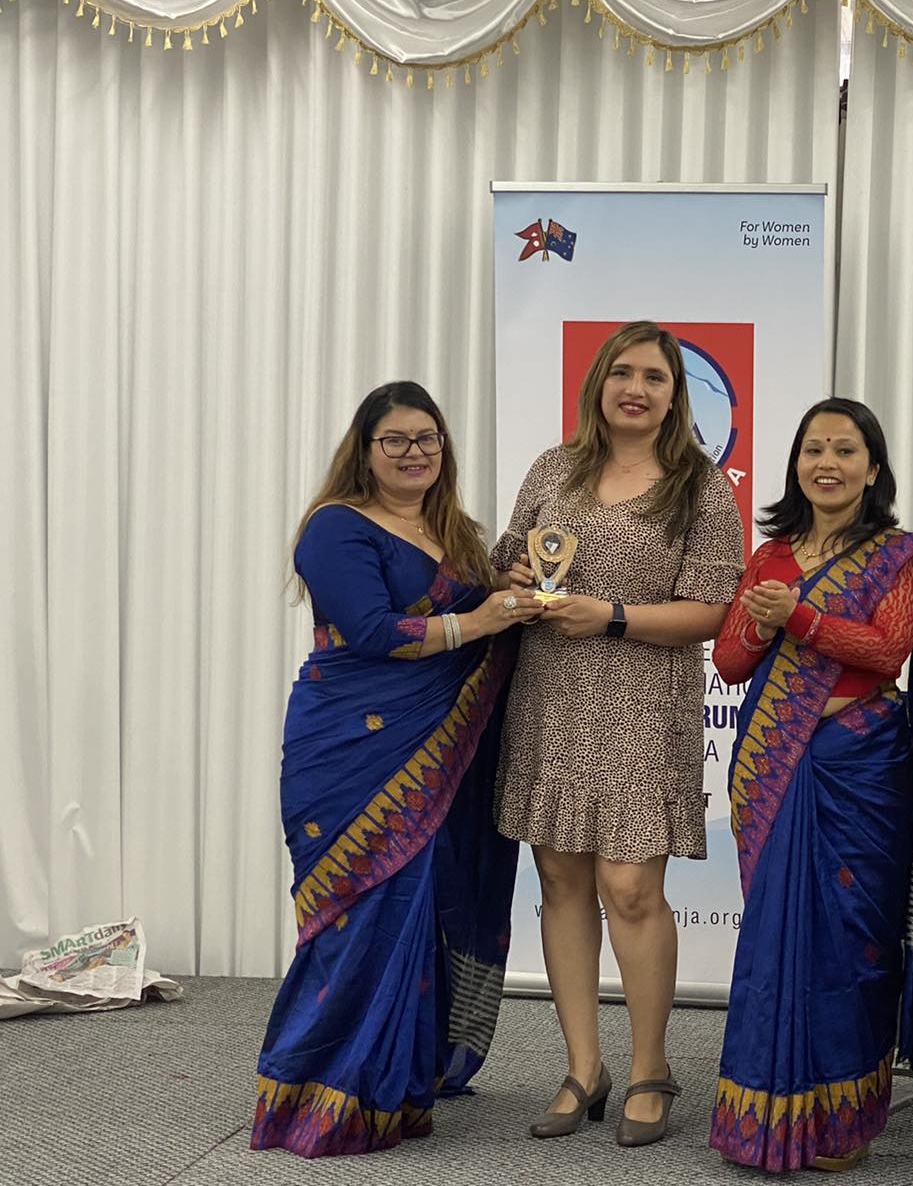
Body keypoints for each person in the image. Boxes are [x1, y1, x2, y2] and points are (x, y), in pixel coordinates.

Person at [252, 381, 536, 1158]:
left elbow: (484, 624)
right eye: (397, 440)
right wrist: (479, 619)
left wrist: (513, 599)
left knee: (428, 904)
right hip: (352, 745)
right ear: (366, 449)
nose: (414, 452)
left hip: (440, 752)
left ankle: (402, 1078)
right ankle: (324, 1092)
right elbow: (375, 632)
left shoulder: (458, 533)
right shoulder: (336, 527)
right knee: (362, 909)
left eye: (427, 438)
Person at [491, 321, 745, 1147]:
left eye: (655, 377)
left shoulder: (701, 487)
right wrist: (515, 575)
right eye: (623, 373)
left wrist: (611, 616)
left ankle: (649, 1068)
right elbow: (507, 559)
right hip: (551, 696)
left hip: (642, 703)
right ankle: (583, 1068)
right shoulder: (551, 469)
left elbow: (713, 611)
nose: (637, 389)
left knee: (631, 888)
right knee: (560, 879)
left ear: (676, 396)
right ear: (598, 382)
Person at [707, 399, 913, 1173]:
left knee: (854, 938)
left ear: (872, 468)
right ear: (796, 464)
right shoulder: (771, 555)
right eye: (813, 449)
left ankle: (846, 1118)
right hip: (773, 763)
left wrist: (800, 618)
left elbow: (888, 651)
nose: (827, 463)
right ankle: (765, 1114)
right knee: (776, 939)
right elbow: (730, 663)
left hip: (863, 765)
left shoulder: (899, 557)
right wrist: (762, 621)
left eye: (845, 450)